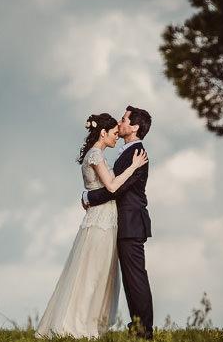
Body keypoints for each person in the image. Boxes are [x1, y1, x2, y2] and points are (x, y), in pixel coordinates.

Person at [35, 112, 148, 339]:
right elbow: (113, 187)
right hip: (101, 223)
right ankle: (78, 323)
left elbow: (110, 187)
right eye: (114, 133)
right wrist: (133, 166)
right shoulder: (96, 154)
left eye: (120, 129)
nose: (116, 135)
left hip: (107, 220)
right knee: (92, 272)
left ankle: (91, 322)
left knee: (98, 273)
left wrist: (87, 197)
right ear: (103, 133)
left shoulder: (101, 154)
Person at [81, 105, 154, 339]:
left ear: (134, 127)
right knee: (131, 279)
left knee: (135, 278)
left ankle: (144, 331)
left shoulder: (136, 154)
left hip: (131, 223)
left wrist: (88, 197)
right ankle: (139, 327)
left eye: (124, 120)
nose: (120, 123)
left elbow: (116, 190)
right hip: (123, 223)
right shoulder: (128, 152)